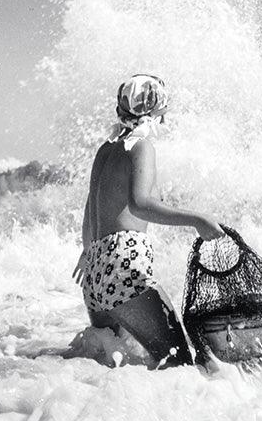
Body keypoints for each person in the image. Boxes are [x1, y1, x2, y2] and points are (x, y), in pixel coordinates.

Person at [73, 74, 224, 368]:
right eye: (161, 113)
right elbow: (140, 205)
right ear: (151, 112)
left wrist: (88, 251)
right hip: (124, 263)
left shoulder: (105, 150)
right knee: (178, 365)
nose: (164, 120)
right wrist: (197, 220)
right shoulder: (141, 146)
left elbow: (90, 207)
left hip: (95, 272)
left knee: (111, 362)